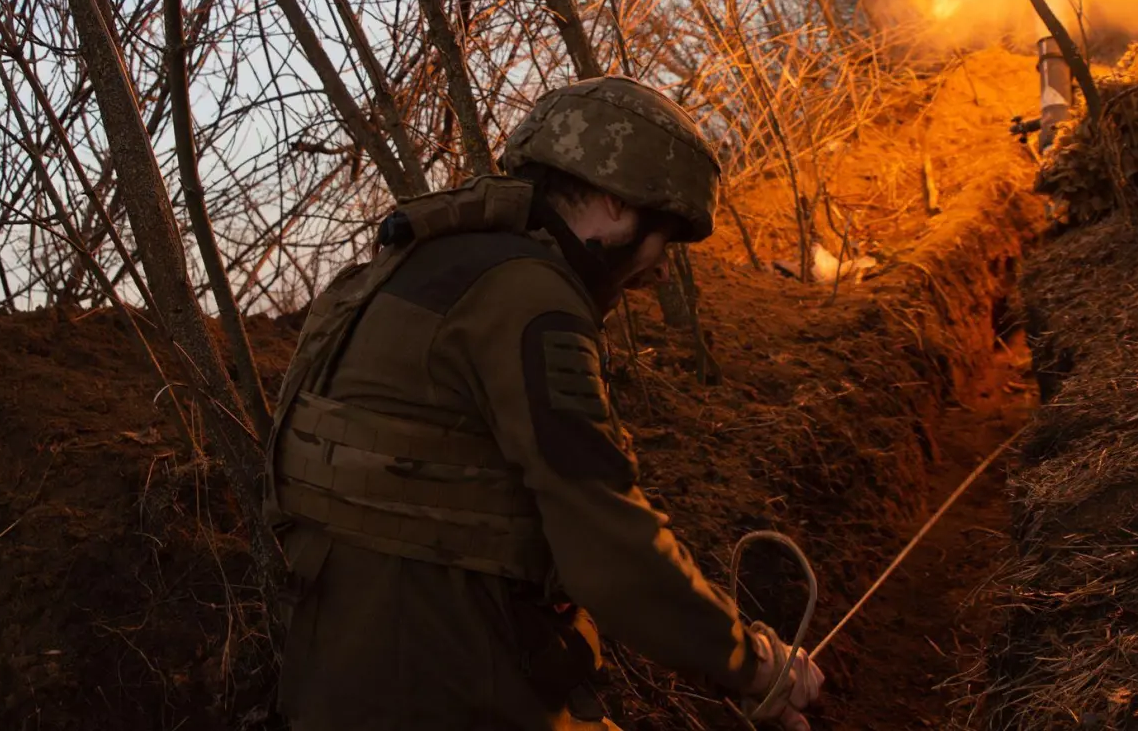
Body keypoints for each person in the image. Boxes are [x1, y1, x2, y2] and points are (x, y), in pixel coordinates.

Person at [264, 75, 825, 730]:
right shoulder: (529, 300)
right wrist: (758, 664)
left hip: (340, 684)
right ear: (616, 205)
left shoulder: (424, 263)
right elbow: (609, 541)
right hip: (440, 690)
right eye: (665, 239)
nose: (662, 270)